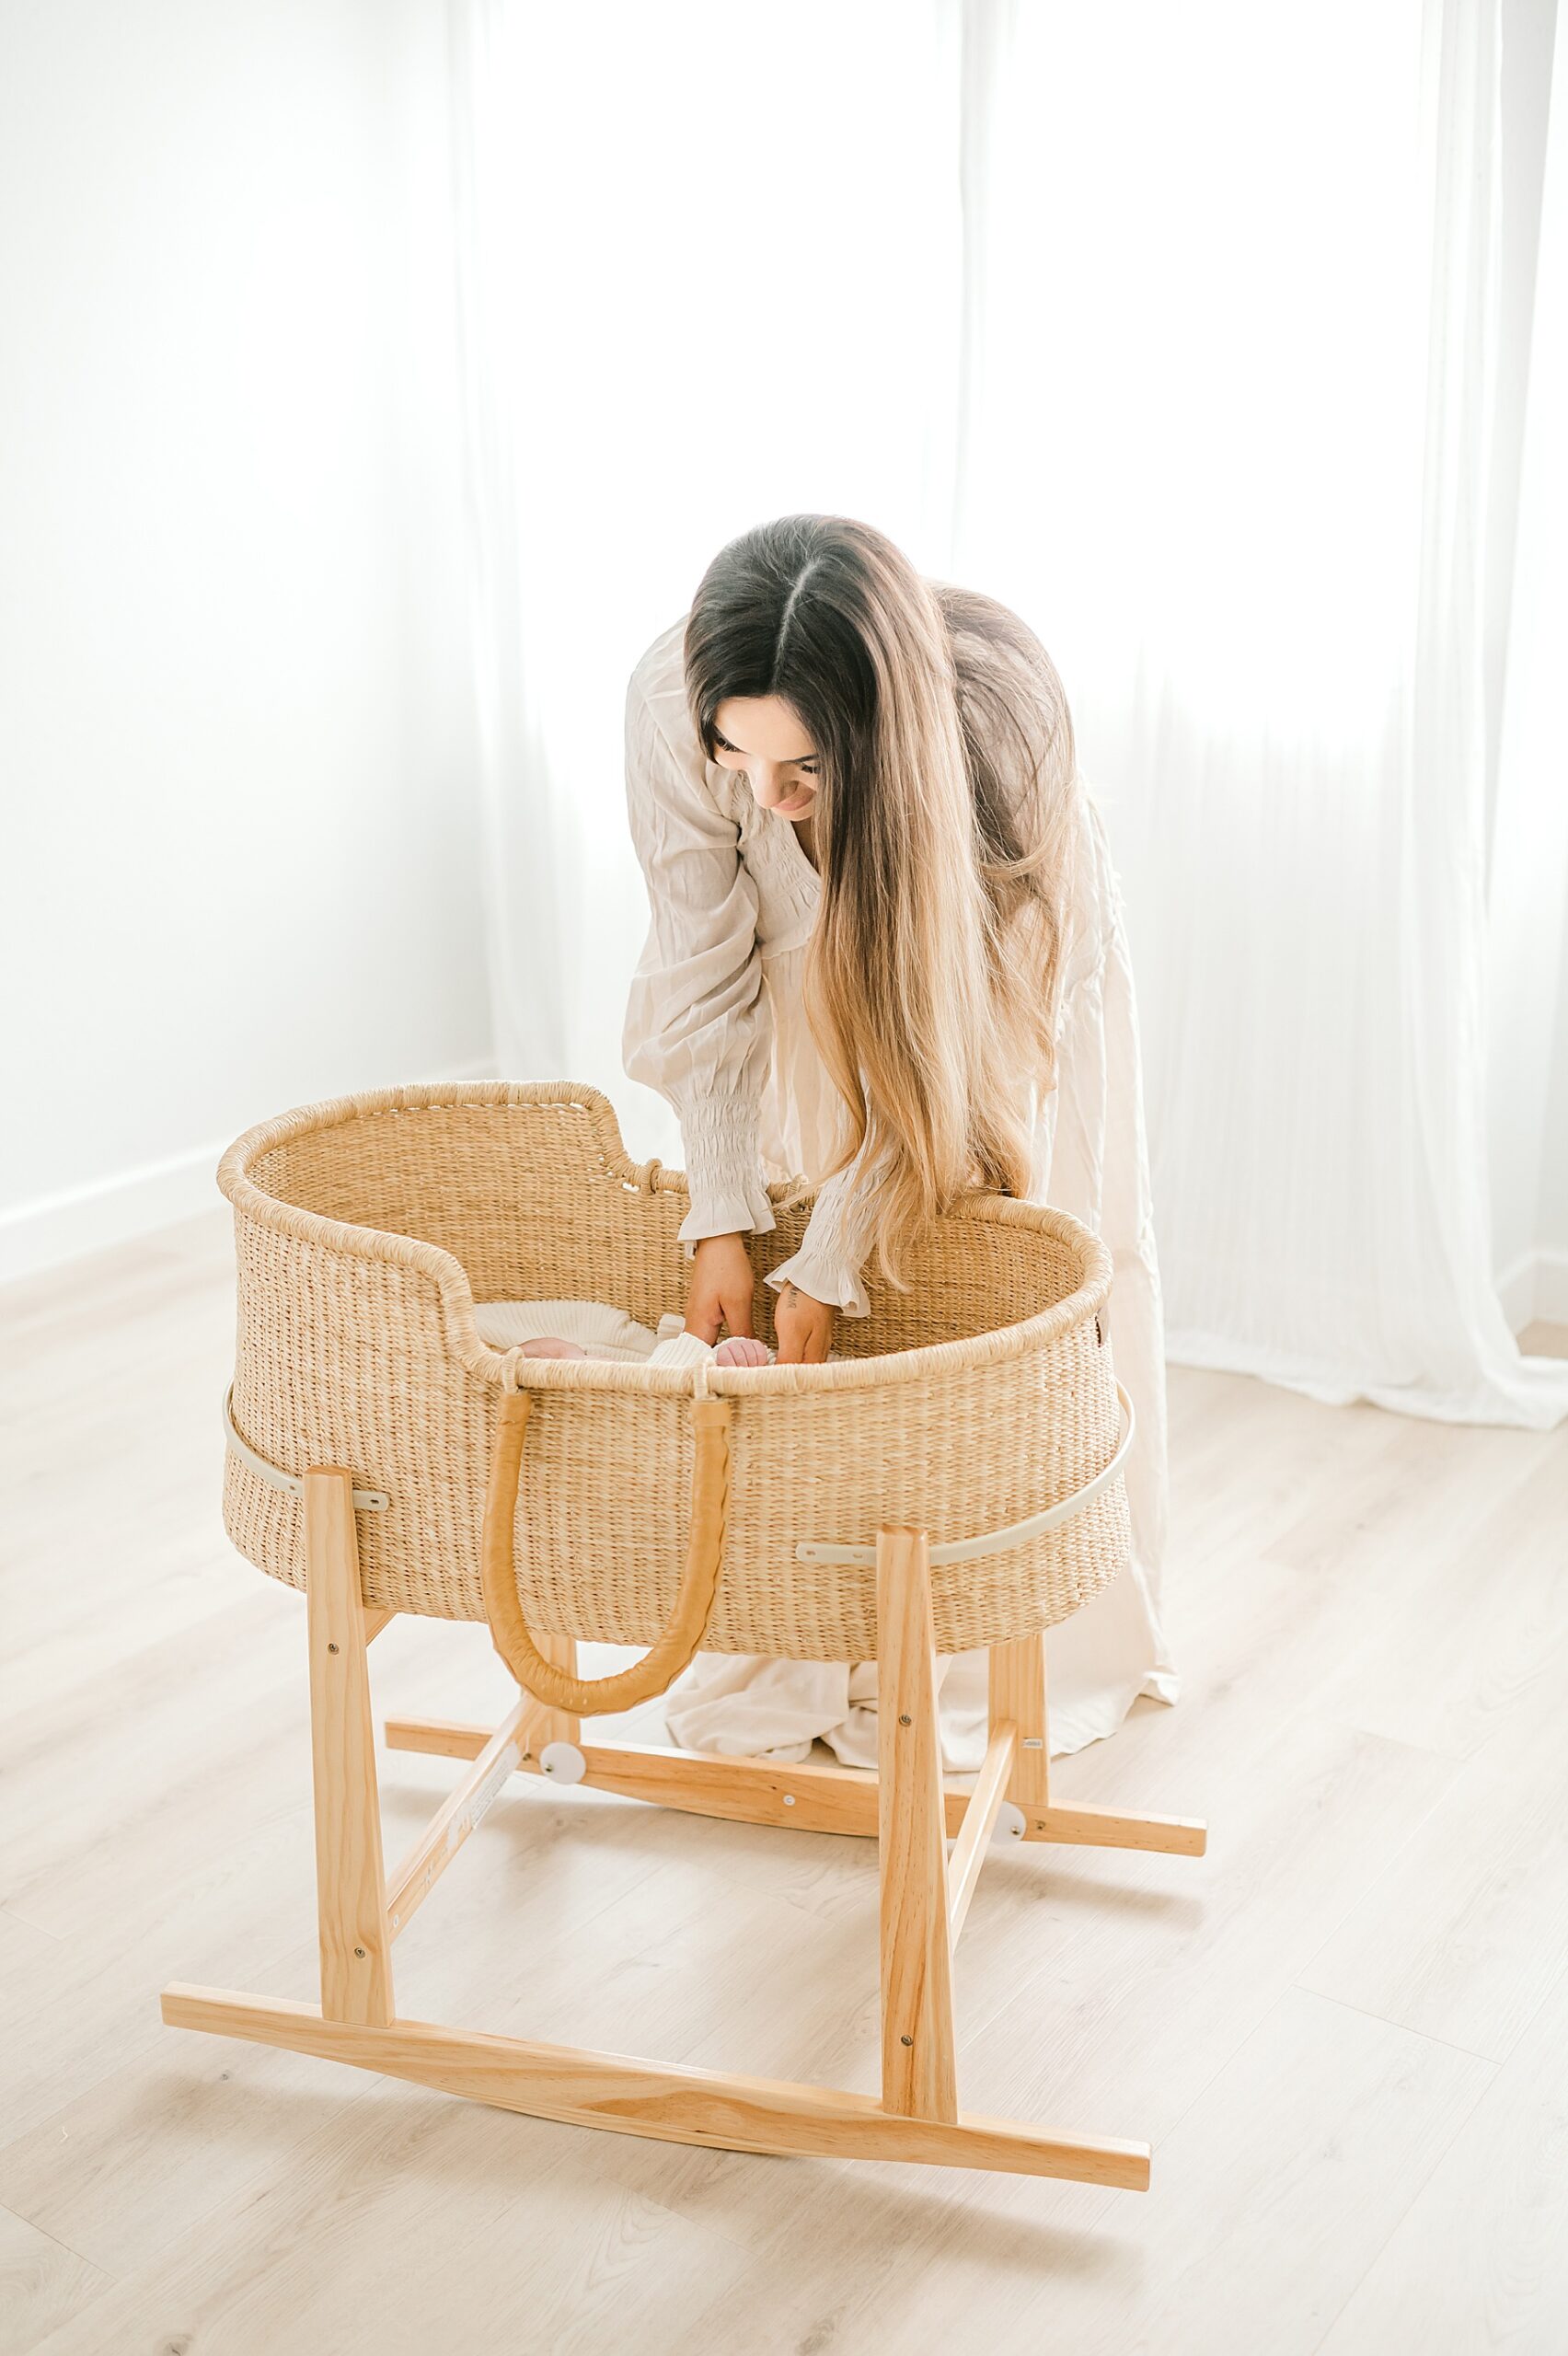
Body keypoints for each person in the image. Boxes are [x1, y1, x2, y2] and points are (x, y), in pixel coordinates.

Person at [620, 514, 1177, 1768]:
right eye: (737, 757)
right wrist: (721, 1211)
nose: (764, 799)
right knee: (792, 1276)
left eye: (802, 769)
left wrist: (839, 1248)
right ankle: (810, 1618)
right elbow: (700, 973)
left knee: (989, 1279)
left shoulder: (1001, 747)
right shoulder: (675, 696)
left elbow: (957, 1063)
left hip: (989, 977)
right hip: (803, 966)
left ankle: (982, 1632)